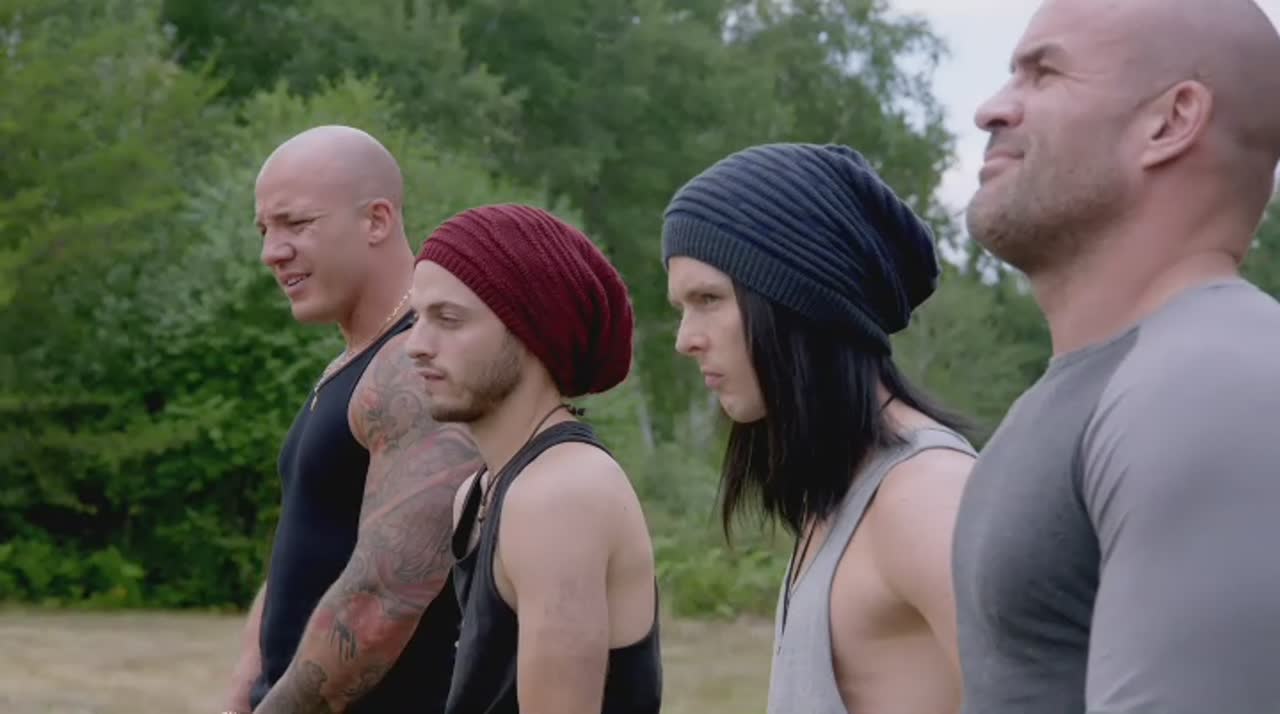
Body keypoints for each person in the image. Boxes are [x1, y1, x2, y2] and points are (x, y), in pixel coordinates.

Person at [953, 0, 1280, 712]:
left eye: (1044, 73)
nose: (991, 109)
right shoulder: (1103, 388)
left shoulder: (1209, 389)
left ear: (1171, 121)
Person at [661, 142, 977, 714]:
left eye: (709, 298)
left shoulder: (926, 498)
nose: (685, 339)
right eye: (682, 307)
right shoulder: (843, 494)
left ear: (804, 301)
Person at [222, 125, 483, 714]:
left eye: (296, 224)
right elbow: (308, 544)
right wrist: (246, 687)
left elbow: (384, 597)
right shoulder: (358, 363)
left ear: (377, 220)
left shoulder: (418, 366)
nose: (271, 251)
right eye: (265, 230)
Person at [404, 203, 662, 714]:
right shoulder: (481, 491)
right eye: (416, 318)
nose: (416, 345)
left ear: (532, 329)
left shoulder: (559, 496)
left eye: (448, 319)